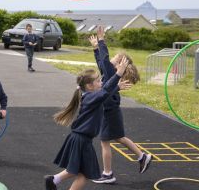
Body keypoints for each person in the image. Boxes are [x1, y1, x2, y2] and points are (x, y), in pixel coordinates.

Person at [44, 57, 133, 190]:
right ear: (89, 86)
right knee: (84, 175)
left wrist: (116, 88)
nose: (101, 82)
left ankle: (54, 180)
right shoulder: (91, 97)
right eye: (98, 81)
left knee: (77, 170)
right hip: (82, 140)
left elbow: (103, 95)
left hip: (79, 139)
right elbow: (103, 93)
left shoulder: (90, 96)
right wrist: (117, 75)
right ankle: (54, 180)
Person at [89, 26, 151, 185]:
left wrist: (101, 42)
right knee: (118, 137)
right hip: (110, 110)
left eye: (114, 59)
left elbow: (104, 60)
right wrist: (96, 48)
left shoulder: (113, 73)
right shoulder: (110, 73)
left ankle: (108, 174)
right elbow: (101, 63)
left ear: (119, 65)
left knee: (105, 142)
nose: (111, 60)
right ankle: (142, 156)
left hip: (109, 111)